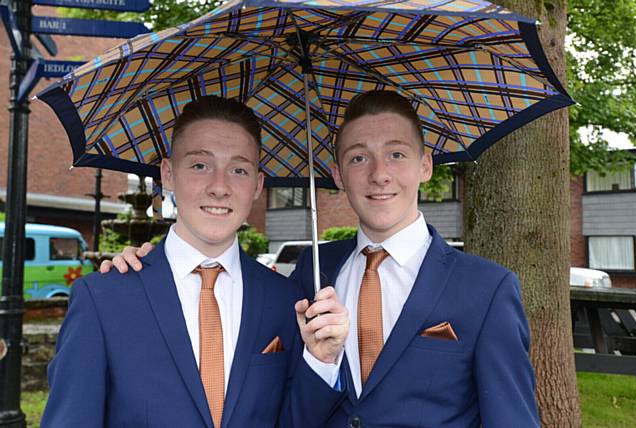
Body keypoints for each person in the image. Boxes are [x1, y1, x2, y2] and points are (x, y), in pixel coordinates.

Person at [102, 90, 541, 427]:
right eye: (358, 158)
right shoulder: (308, 275)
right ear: (336, 174)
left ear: (425, 165)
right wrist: (149, 267)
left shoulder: (487, 289)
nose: (379, 174)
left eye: (396, 154)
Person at [42, 96, 348, 428]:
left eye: (239, 170)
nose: (219, 187)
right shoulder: (103, 297)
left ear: (258, 185)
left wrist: (322, 361)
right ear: (168, 174)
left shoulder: (285, 300)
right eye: (200, 165)